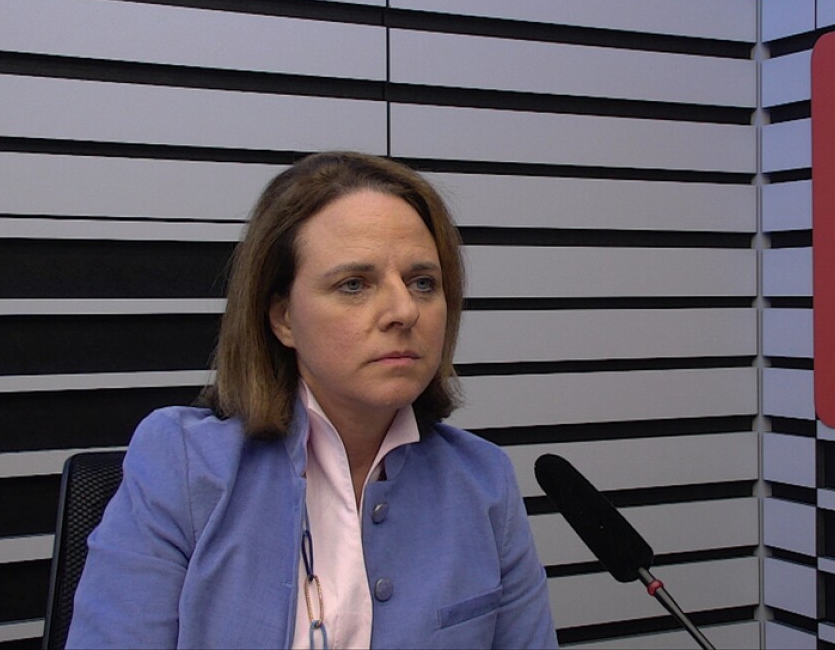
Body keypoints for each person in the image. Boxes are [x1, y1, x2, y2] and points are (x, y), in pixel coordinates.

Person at [67, 152, 558, 649]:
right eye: (354, 284)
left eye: (422, 283)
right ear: (283, 318)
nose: (404, 310)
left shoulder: (484, 482)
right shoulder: (182, 463)